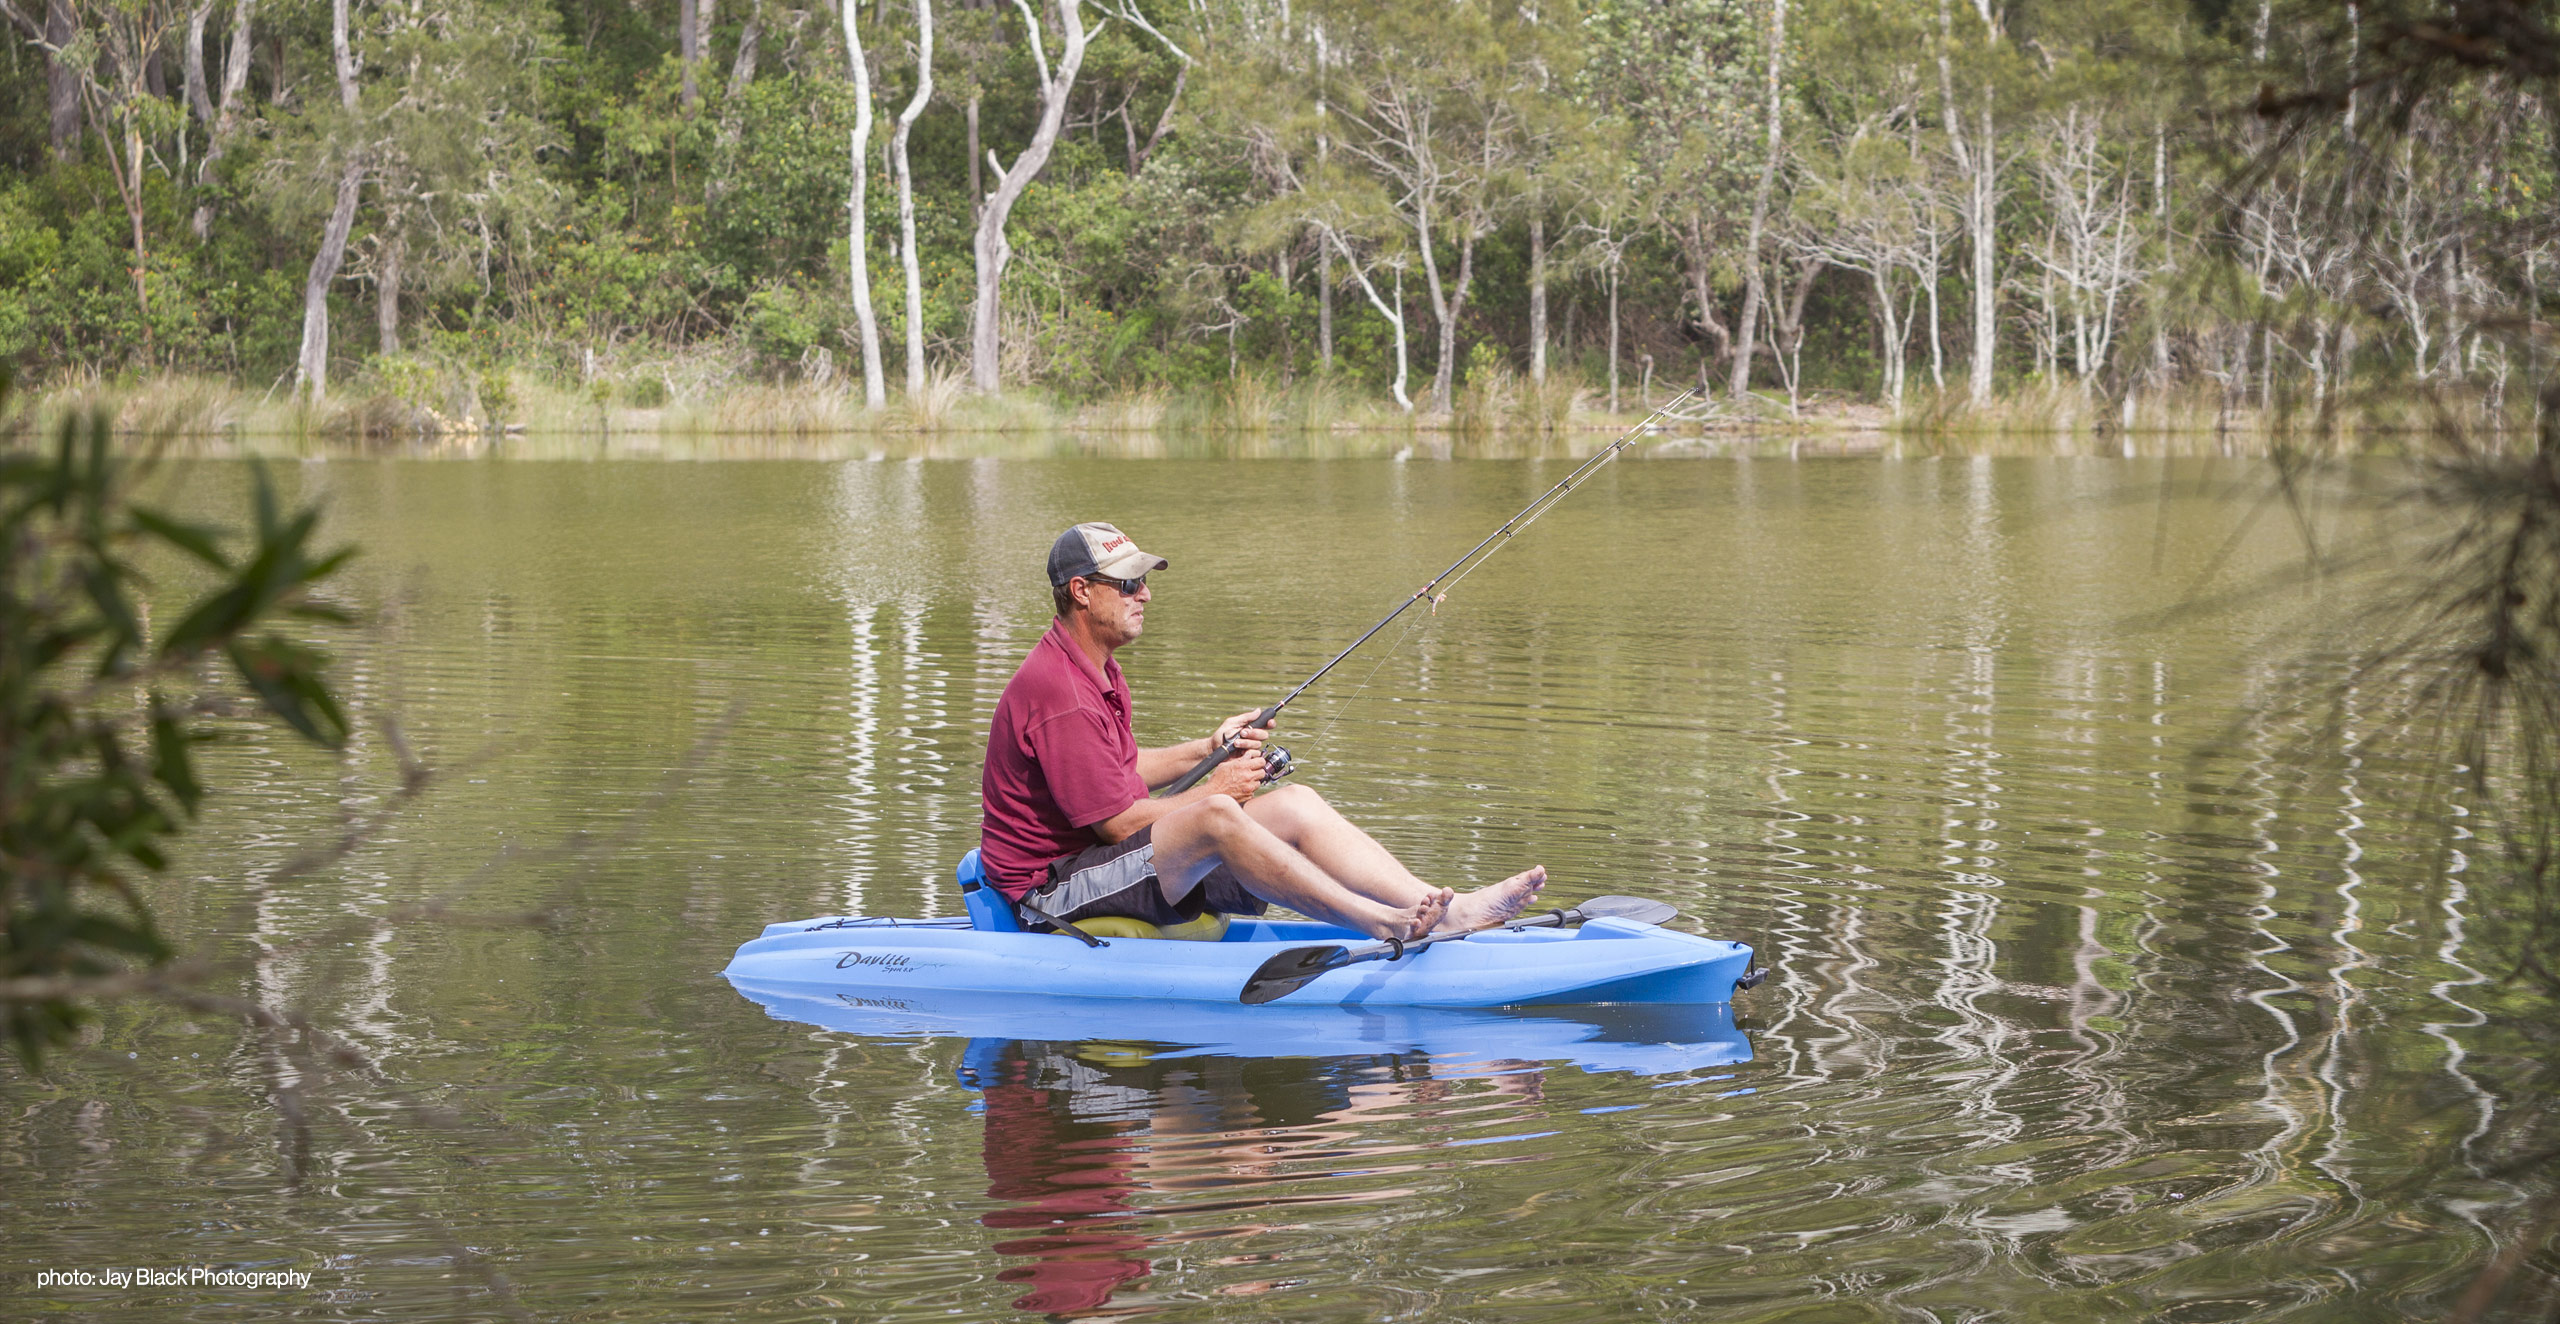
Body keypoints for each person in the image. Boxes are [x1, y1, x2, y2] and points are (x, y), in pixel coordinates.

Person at [978, 521, 1545, 942]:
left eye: (1144, 581)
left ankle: (1447, 909)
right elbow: (1118, 822)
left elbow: (1118, 770)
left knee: (1294, 803)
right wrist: (1215, 790)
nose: (1145, 593)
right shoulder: (1059, 692)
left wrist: (1209, 748)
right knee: (1216, 815)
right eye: (1128, 585)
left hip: (1101, 859)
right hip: (1049, 892)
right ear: (1082, 591)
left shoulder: (1096, 667)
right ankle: (1381, 923)